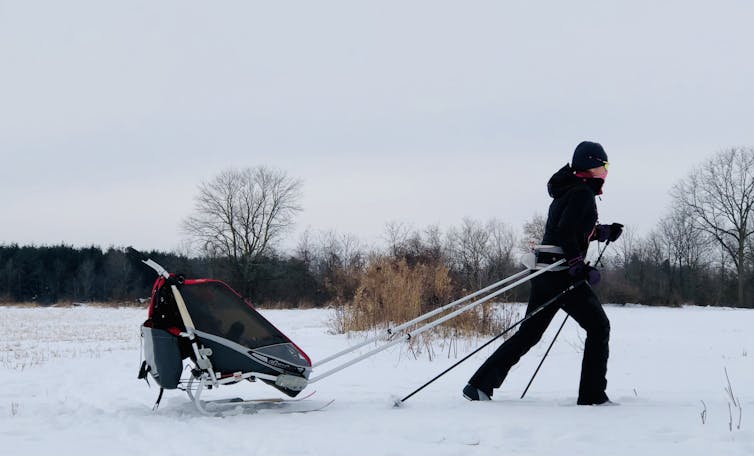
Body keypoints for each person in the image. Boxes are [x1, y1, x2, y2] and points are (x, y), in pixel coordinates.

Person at [462, 141, 622, 405]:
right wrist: (577, 265)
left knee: (529, 334)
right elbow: (565, 233)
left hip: (546, 274)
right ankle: (592, 395)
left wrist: (601, 233)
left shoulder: (567, 190)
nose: (606, 171)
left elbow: (570, 229)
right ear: (592, 165)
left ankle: (479, 385)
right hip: (562, 274)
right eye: (604, 165)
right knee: (599, 326)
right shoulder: (582, 192)